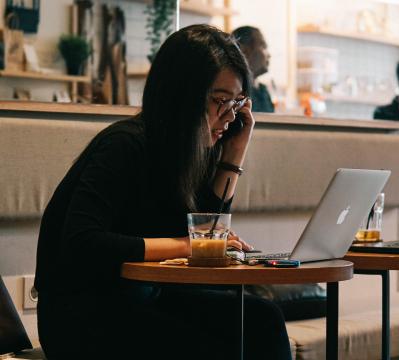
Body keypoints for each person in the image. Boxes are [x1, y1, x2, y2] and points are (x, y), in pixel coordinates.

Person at [34, 24, 292, 359]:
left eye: (237, 102)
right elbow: (82, 242)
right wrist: (190, 245)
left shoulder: (190, 152)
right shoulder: (124, 144)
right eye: (220, 101)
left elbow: (207, 227)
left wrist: (234, 153)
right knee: (217, 348)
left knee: (261, 318)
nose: (229, 116)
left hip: (144, 297)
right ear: (182, 94)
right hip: (82, 313)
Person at [232, 26, 275, 113]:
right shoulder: (235, 91)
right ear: (244, 50)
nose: (269, 55)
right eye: (263, 47)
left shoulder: (263, 90)